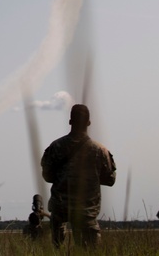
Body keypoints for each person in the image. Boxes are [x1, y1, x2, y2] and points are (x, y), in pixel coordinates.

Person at [40, 104, 116, 248]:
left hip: (60, 210)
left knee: (57, 249)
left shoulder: (55, 147)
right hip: (86, 212)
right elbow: (110, 180)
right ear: (89, 123)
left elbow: (47, 176)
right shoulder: (100, 150)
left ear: (70, 121)